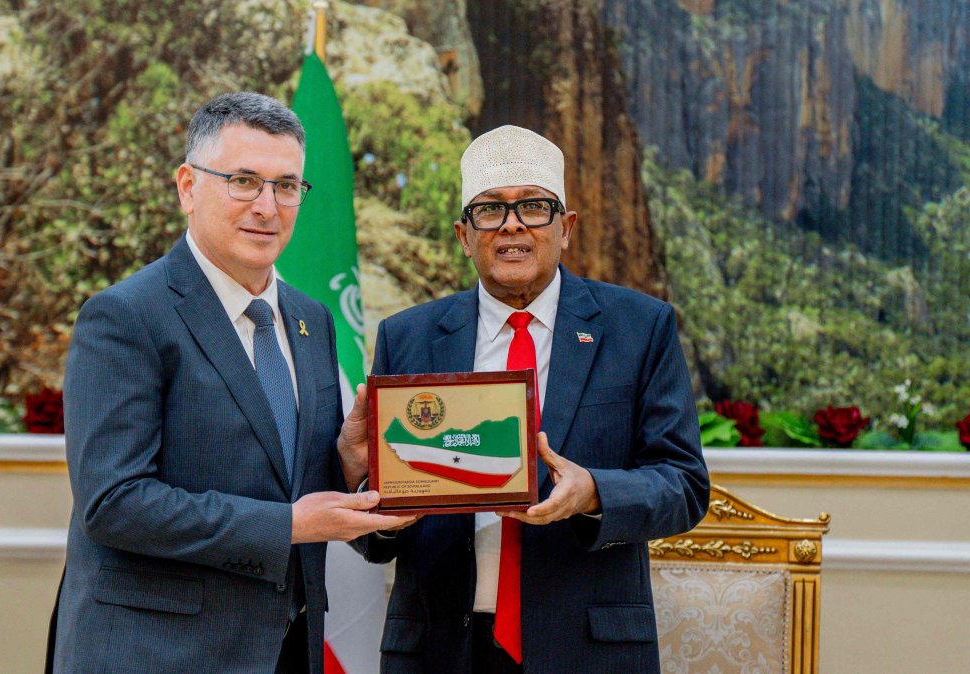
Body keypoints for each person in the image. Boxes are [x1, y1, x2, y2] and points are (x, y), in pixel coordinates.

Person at [51, 92, 411, 674]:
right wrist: (290, 526)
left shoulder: (311, 319)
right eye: (244, 181)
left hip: (288, 648)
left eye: (286, 185)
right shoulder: (126, 317)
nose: (267, 207)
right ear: (188, 187)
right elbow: (113, 503)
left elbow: (283, 480)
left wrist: (346, 463)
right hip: (156, 654)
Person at [355, 125, 710, 673]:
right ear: (463, 235)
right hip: (439, 649)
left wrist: (592, 492)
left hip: (587, 649)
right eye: (490, 211)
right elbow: (376, 535)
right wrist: (374, 499)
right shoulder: (409, 337)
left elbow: (685, 486)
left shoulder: (639, 327)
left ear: (566, 227)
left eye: (534, 207)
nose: (513, 224)